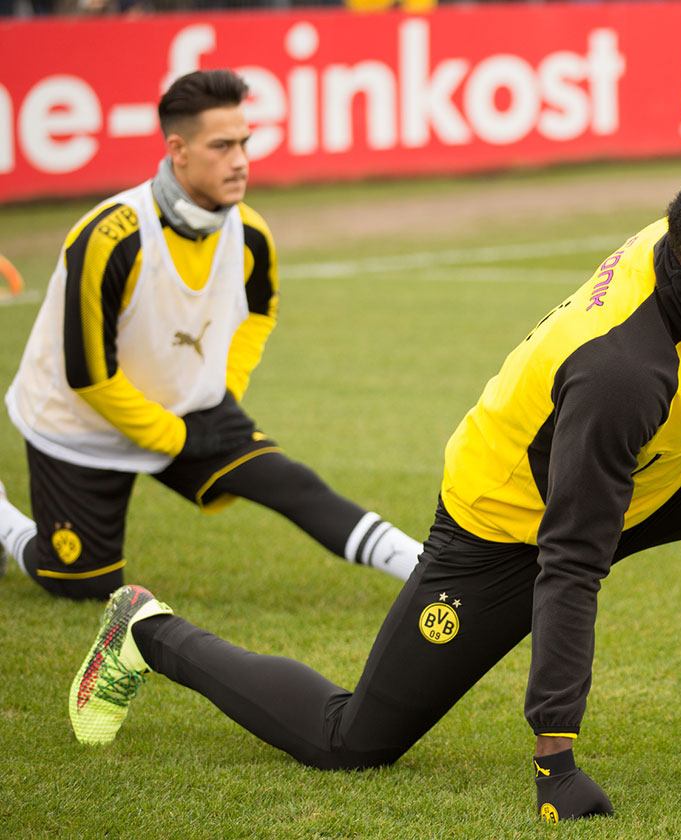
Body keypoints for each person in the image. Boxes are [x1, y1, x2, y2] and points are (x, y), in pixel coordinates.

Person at [65, 162, 681, 821]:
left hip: (651, 473)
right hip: (512, 526)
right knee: (354, 740)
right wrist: (556, 757)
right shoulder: (621, 371)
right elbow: (572, 561)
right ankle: (149, 632)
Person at [0, 70, 421, 599]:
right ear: (178, 150)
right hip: (79, 424)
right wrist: (177, 438)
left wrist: (222, 389)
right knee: (81, 586)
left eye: (244, 142)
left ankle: (431, 570)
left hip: (187, 408)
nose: (240, 160)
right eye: (222, 146)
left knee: (292, 484)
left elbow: (259, 313)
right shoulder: (109, 238)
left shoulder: (251, 233)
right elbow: (88, 376)